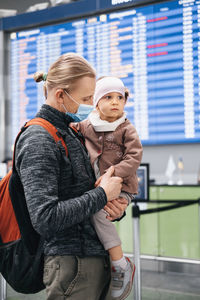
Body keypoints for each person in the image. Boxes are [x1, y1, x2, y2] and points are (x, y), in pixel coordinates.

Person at [14, 53, 129, 300]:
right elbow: (45, 218)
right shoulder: (38, 139)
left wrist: (111, 206)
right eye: (87, 98)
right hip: (72, 267)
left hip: (94, 259)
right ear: (60, 95)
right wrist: (101, 195)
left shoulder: (71, 132)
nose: (92, 104)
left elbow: (84, 197)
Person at [72, 76, 143, 300]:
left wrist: (113, 174)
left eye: (119, 98)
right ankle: (116, 262)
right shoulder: (87, 124)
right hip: (100, 187)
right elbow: (70, 130)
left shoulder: (126, 128)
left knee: (100, 214)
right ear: (95, 102)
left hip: (122, 185)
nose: (115, 102)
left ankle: (120, 263)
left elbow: (134, 157)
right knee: (100, 213)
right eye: (108, 97)